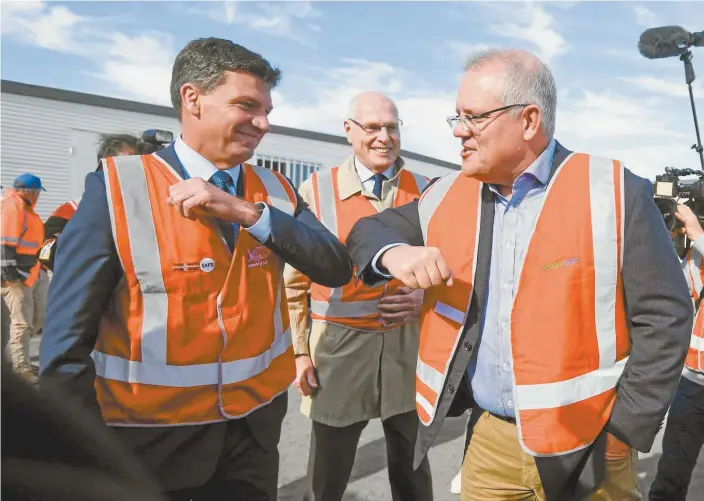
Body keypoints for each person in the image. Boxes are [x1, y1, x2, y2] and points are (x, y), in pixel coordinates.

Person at [345, 48, 693, 500]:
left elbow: (665, 315)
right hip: (491, 442)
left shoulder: (613, 191)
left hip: (589, 441)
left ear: (529, 120)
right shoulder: (449, 194)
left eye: (473, 117)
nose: (457, 131)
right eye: (456, 116)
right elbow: (367, 231)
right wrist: (393, 255)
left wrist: (625, 428)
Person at [39, 37, 353, 501]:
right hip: (148, 446)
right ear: (193, 99)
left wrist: (250, 213)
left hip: (253, 440)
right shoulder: (118, 187)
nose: (263, 123)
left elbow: (335, 267)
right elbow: (65, 349)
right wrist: (88, 456)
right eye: (246, 105)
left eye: (267, 109)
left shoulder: (275, 191)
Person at [284, 91, 433, 501]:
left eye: (392, 126)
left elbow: (454, 267)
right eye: (372, 127)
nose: (384, 136)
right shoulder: (316, 190)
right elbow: (294, 282)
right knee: (327, 476)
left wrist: (425, 299)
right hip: (339, 355)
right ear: (349, 131)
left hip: (409, 354)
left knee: (414, 470)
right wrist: (299, 352)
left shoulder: (428, 190)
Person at [39, 133, 159, 272]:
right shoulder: (72, 210)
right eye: (127, 165)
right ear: (104, 168)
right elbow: (48, 254)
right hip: (94, 289)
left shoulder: (152, 207)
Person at [649, 204, 704, 500]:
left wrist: (698, 234)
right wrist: (669, 241)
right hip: (693, 384)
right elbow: (679, 291)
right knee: (670, 477)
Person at [1, 173, 50, 384]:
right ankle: (21, 370)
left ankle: (21, 362)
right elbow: (5, 243)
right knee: (20, 323)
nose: (39, 196)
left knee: (33, 321)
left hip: (29, 274)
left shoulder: (26, 209)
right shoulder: (13, 206)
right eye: (38, 192)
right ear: (30, 191)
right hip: (16, 277)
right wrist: (10, 276)